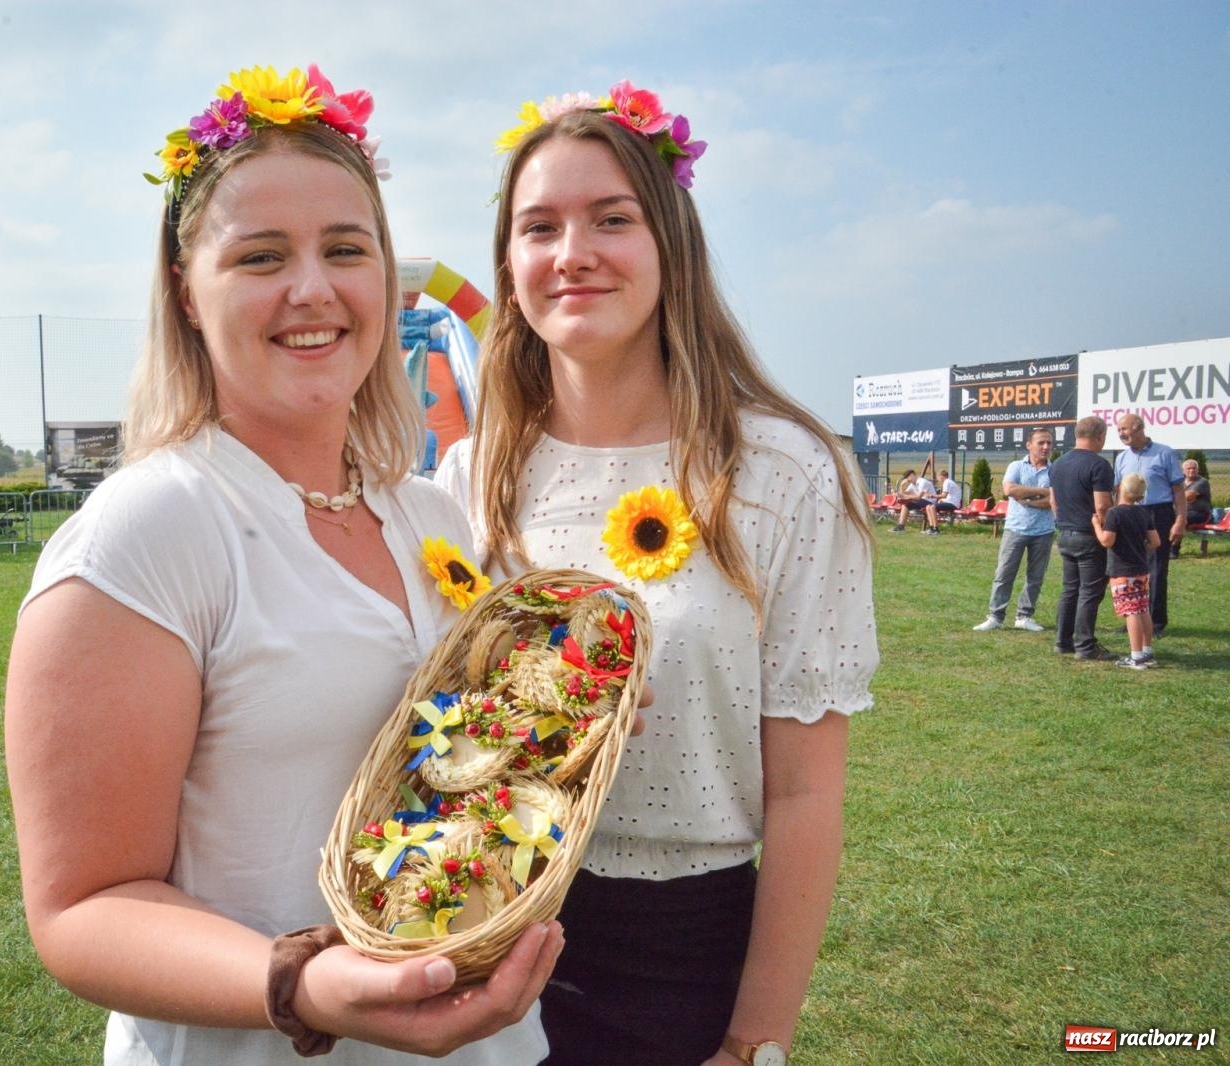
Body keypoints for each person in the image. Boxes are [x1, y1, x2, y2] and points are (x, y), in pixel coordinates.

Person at [4, 64, 556, 1066]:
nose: (313, 288)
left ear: (386, 278)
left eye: (346, 249)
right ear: (185, 291)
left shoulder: (432, 513)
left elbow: (462, 774)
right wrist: (301, 982)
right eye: (260, 256)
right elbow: (83, 906)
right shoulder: (148, 531)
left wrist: (558, 709)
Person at [437, 84, 878, 1066]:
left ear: (671, 244)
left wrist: (753, 1040)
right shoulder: (465, 481)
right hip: (478, 918)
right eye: (537, 227)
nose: (571, 252)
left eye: (611, 219)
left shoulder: (783, 471)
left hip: (678, 956)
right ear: (508, 270)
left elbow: (805, 796)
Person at [972, 428, 1054, 632]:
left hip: (1043, 531)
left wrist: (1028, 499)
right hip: (1015, 529)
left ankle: (1024, 616)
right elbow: (1009, 490)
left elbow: (1055, 499)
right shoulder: (1016, 466)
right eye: (1041, 443)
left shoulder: (1055, 470)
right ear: (1029, 445)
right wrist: (1043, 492)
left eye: (1049, 443)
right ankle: (995, 616)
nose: (1045, 447)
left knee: (1035, 576)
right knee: (1004, 573)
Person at [1048, 416, 1115, 660]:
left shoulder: (1058, 463)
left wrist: (1063, 523)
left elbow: (1054, 501)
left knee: (1070, 590)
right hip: (1089, 536)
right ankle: (1086, 646)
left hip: (1065, 534)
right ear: (1100, 436)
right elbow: (1103, 506)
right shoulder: (1099, 465)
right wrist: (1108, 531)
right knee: (1090, 592)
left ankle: (1063, 641)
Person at [1112, 414, 1186, 637]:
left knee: (1156, 569)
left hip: (1158, 512)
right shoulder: (1121, 458)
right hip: (1130, 513)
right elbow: (1117, 491)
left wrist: (1180, 519)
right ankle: (1132, 618)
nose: (1121, 434)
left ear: (1139, 428)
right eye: (1119, 430)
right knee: (1130, 568)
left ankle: (1155, 623)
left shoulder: (1165, 453)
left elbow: (1179, 491)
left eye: (1124, 429)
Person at [1094, 473, 1160, 670]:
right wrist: (1139, 548)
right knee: (1142, 609)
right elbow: (1155, 541)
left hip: (1122, 570)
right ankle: (1147, 650)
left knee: (1130, 612)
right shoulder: (1143, 513)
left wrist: (1097, 525)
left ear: (1120, 489)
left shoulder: (1115, 514)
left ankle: (1136, 656)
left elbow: (1107, 541)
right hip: (1141, 568)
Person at [1178, 458, 1212, 557]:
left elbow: (1187, 496)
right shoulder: (1180, 483)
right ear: (1183, 471)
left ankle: (1173, 551)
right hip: (1185, 512)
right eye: (1188, 468)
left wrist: (1178, 496)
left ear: (1198, 470)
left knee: (1180, 520)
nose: (1191, 470)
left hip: (1202, 514)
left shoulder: (1202, 482)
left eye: (1194, 468)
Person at [891, 468, 937, 533]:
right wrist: (901, 486)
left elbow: (918, 497)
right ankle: (901, 526)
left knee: (908, 502)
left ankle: (933, 528)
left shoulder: (922, 482)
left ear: (913, 475)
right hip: (921, 501)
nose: (907, 479)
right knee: (905, 505)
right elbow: (903, 494)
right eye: (906, 478)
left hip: (929, 501)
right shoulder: (912, 484)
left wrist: (907, 497)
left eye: (908, 477)